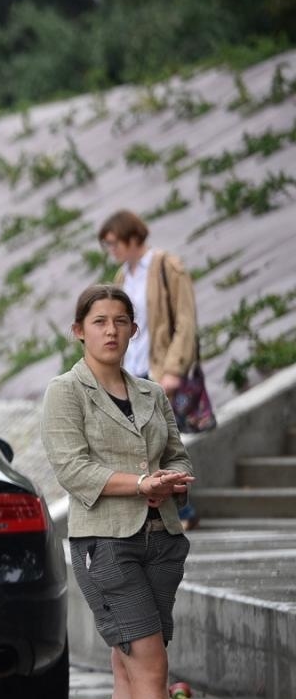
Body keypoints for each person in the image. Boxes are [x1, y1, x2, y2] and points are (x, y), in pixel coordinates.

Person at [41, 284, 253, 699]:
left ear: (135, 330)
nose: (111, 330)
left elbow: (178, 455)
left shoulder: (151, 393)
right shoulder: (65, 391)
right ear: (79, 331)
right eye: (99, 321)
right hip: (106, 546)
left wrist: (172, 481)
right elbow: (73, 469)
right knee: (151, 667)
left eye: (121, 321)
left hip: (161, 541)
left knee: (129, 669)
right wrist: (140, 483)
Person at [102, 209, 201, 529]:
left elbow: (185, 321)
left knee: (162, 444)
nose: (111, 250)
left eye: (114, 243)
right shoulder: (123, 276)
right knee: (140, 446)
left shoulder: (166, 267)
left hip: (158, 371)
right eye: (107, 245)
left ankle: (183, 511)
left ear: (132, 238)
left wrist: (174, 369)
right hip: (131, 371)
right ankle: (165, 511)